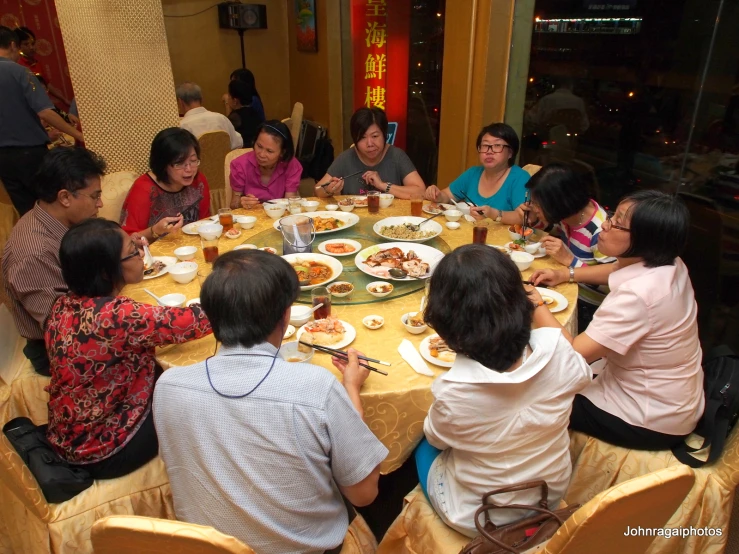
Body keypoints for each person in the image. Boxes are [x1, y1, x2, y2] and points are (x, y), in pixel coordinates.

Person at [154, 250, 387, 553]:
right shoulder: (316, 387)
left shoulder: (169, 386)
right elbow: (363, 493)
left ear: (210, 317)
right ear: (285, 315)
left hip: (207, 547)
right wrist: (351, 388)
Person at [417, 244, 591, 537]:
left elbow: (438, 437)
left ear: (446, 324)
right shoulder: (559, 349)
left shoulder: (455, 389)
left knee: (421, 443)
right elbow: (580, 368)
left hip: (483, 515)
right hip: (549, 493)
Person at [531, 190, 704, 450]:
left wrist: (533, 300)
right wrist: (565, 274)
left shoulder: (640, 294)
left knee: (531, 397)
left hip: (647, 417)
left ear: (644, 240)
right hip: (675, 398)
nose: (604, 224)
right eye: (613, 215)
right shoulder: (668, 263)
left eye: (616, 222)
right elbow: (615, 268)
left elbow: (573, 354)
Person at [45, 218, 212, 478]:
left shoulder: (62, 304)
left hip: (69, 438)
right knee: (198, 400)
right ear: (105, 271)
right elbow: (197, 321)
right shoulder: (117, 315)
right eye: (133, 252)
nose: (141, 254)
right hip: (106, 449)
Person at [2, 147, 105, 376]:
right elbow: (64, 330)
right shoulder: (33, 252)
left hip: (84, 319)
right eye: (95, 196)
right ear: (65, 197)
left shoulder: (61, 224)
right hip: (56, 349)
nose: (100, 204)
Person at [519, 163, 615, 329]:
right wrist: (535, 221)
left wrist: (570, 260)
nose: (532, 206)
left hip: (588, 307)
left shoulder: (600, 231)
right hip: (564, 285)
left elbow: (609, 282)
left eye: (536, 203)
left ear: (558, 202)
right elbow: (559, 228)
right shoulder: (571, 213)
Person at [0, 26, 83, 215]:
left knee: (27, 211)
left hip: (2, 158)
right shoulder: (20, 72)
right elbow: (45, 111)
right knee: (53, 205)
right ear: (13, 45)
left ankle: (36, 244)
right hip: (29, 153)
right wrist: (79, 134)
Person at [120, 127, 211, 242]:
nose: (189, 169)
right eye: (179, 163)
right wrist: (155, 231)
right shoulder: (144, 189)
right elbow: (128, 239)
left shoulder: (199, 181)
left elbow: (205, 220)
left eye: (193, 161)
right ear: (163, 164)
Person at [427, 123, 529, 224]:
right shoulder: (473, 173)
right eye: (485, 145)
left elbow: (524, 217)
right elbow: (448, 195)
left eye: (497, 145)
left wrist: (494, 214)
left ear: (510, 153)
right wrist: (438, 195)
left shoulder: (520, 178)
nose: (489, 151)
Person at [315, 107, 425, 200]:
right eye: (362, 138)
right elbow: (317, 190)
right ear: (355, 139)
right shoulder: (346, 158)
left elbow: (420, 191)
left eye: (375, 136)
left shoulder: (397, 156)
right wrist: (328, 190)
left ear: (385, 135)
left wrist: (383, 185)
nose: (369, 144)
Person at [229, 120, 302, 209]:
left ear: (282, 152)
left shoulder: (291, 165)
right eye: (259, 146)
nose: (261, 154)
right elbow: (233, 205)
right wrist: (241, 203)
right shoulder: (240, 165)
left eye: (269, 151)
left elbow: (290, 203)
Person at [15, 27, 71, 107]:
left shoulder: (36, 63)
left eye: (33, 43)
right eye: (26, 44)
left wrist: (64, 100)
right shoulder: (17, 65)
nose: (31, 47)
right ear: (17, 46)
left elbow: (46, 84)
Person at [177, 81, 243, 150]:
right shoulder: (221, 118)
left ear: (180, 102)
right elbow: (238, 143)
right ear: (201, 99)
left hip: (198, 161)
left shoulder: (182, 127)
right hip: (225, 160)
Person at [226, 80, 263, 148]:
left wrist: (227, 105)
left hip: (242, 151)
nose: (227, 98)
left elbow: (227, 133)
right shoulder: (254, 111)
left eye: (229, 95)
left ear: (235, 101)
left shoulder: (235, 117)